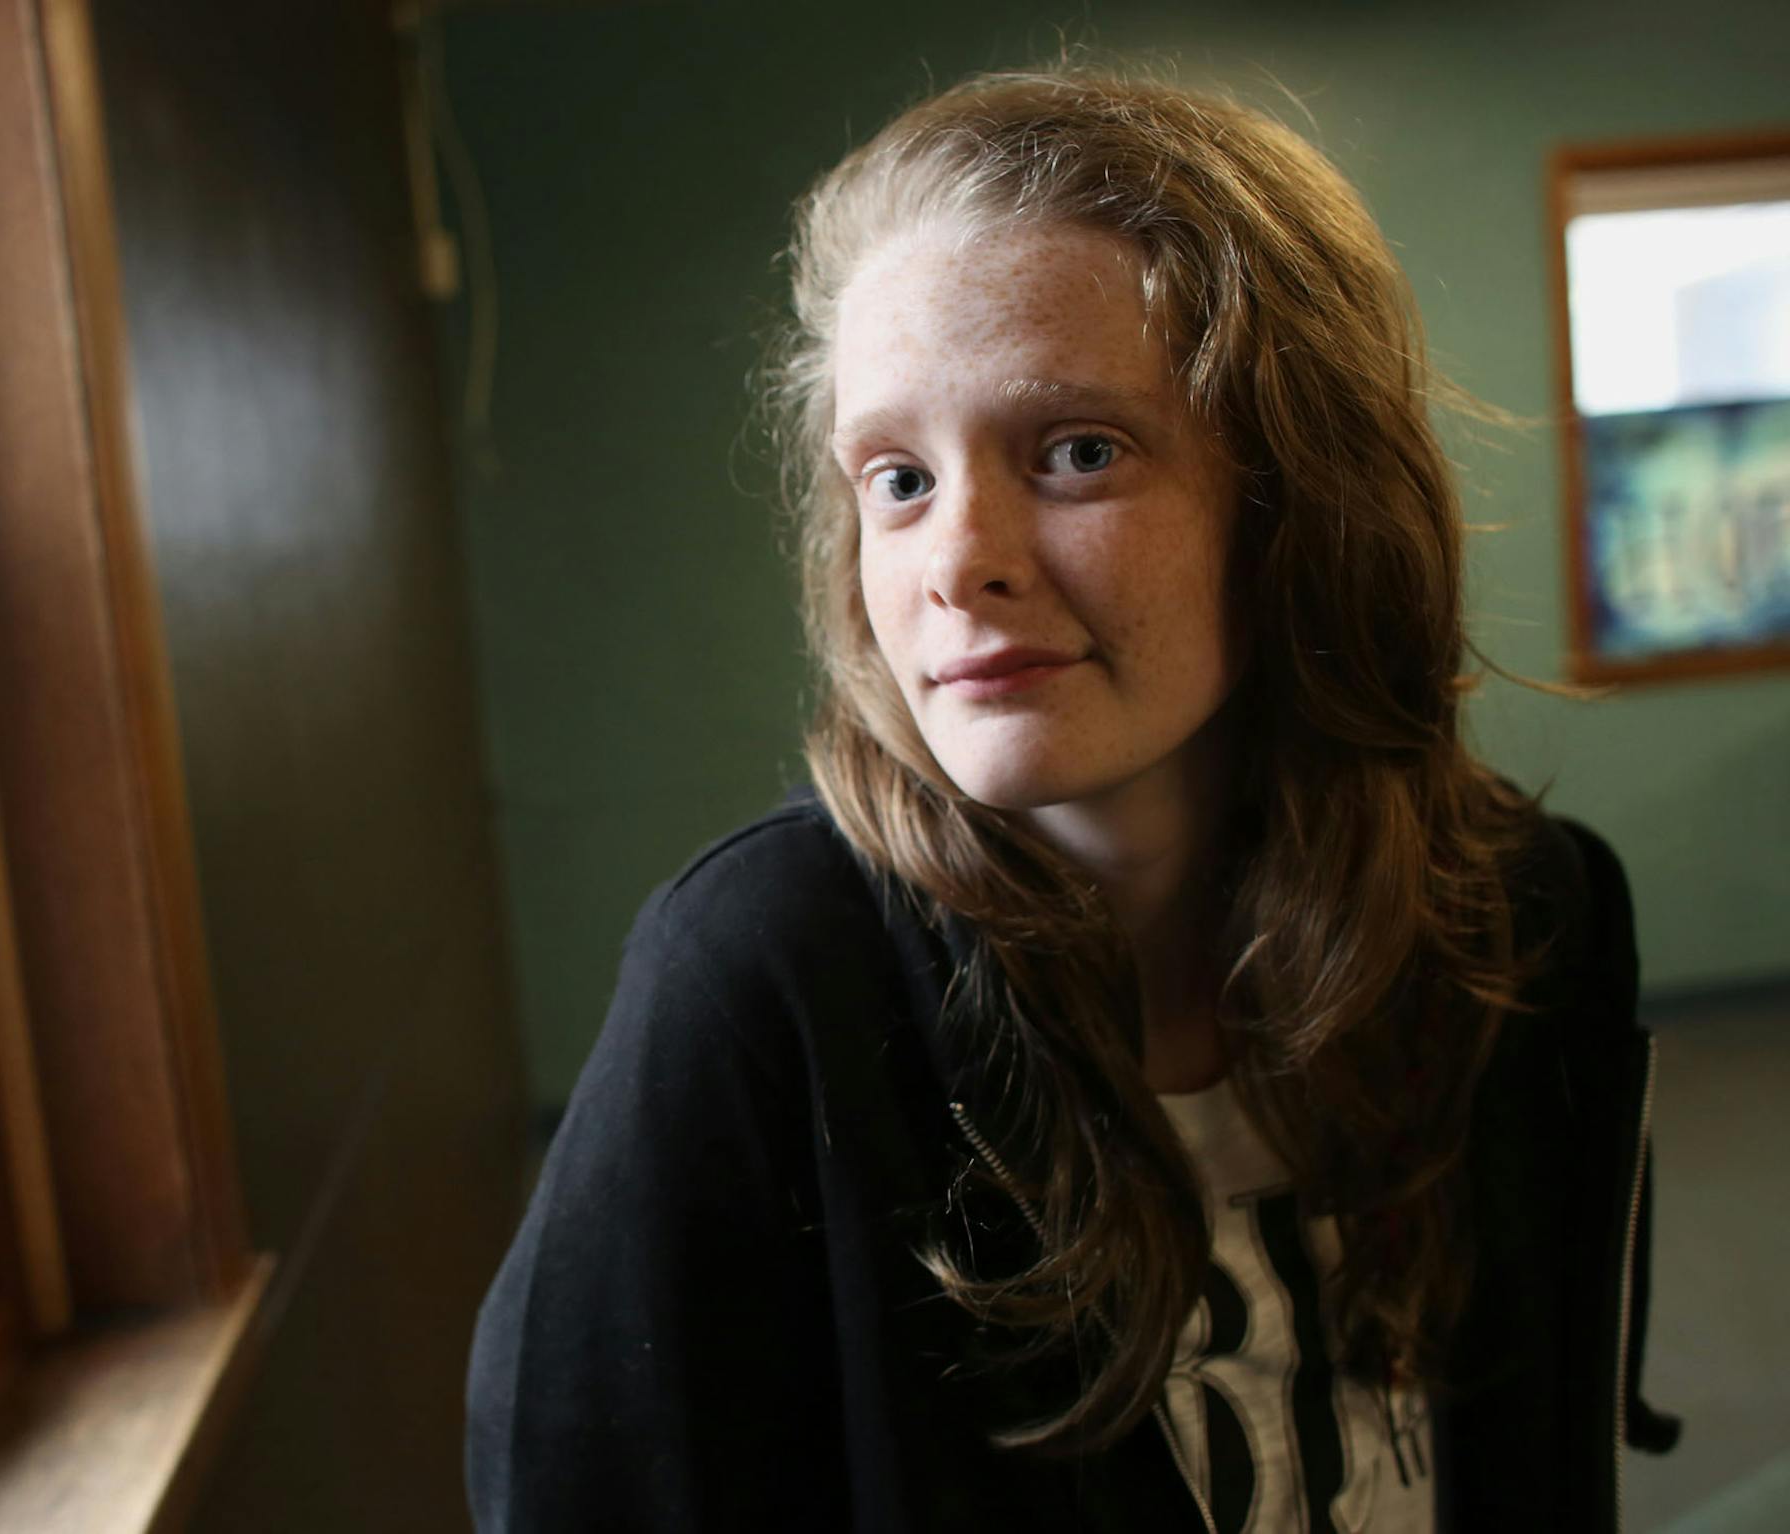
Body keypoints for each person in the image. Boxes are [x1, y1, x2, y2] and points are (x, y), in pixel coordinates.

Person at [466, 65, 1677, 1532]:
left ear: (1304, 499)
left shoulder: (1528, 916)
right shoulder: (759, 982)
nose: (955, 557)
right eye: (898, 478)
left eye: (1078, 452)